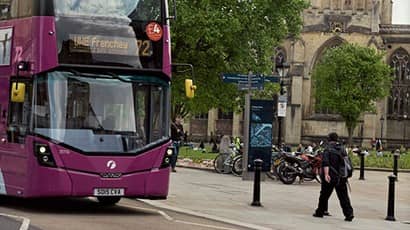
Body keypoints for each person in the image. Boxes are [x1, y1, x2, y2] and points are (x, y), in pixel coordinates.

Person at [313, 132, 354, 221]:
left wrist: (326, 174)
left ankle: (320, 212)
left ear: (329, 139)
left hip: (331, 176)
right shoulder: (342, 149)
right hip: (342, 176)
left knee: (324, 195)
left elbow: (326, 163)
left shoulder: (328, 149)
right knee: (343, 196)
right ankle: (349, 214)